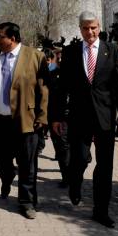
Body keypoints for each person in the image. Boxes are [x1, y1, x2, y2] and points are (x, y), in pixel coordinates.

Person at [52, 11, 118, 228]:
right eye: (86, 28)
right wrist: (58, 116)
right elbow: (62, 88)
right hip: (79, 117)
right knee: (79, 159)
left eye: (94, 27)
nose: (90, 32)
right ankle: (75, 183)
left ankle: (101, 210)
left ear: (99, 27)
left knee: (105, 165)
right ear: (80, 29)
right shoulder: (71, 52)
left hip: (105, 117)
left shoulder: (112, 50)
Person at [0, 22, 48, 220]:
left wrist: (43, 116)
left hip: (27, 120)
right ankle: (7, 177)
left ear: (13, 38)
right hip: (1, 121)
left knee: (27, 163)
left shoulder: (35, 57)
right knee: (1, 159)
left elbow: (44, 90)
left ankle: (27, 202)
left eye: (1, 36)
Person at [47, 48, 69, 188]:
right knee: (62, 148)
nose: (60, 60)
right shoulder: (51, 75)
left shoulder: (77, 75)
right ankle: (67, 177)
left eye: (63, 57)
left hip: (74, 117)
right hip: (56, 118)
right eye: (58, 57)